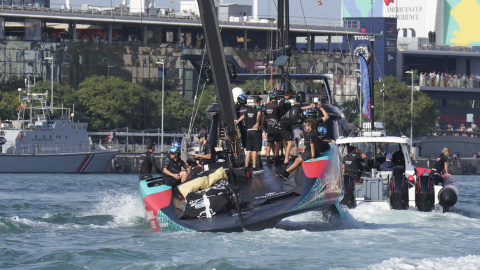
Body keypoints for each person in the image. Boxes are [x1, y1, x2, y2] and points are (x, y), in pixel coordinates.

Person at [263, 90, 283, 164]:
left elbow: (264, 116)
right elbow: (281, 115)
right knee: (278, 141)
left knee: (270, 142)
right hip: (276, 126)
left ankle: (268, 159)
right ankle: (276, 157)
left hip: (269, 125)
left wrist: (263, 125)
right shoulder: (277, 106)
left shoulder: (267, 105)